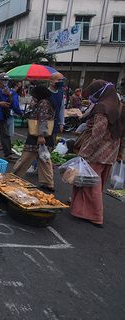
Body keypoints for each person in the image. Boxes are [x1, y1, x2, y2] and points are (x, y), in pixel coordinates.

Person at [70, 80, 125, 227]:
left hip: (97, 152)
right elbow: (122, 134)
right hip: (111, 152)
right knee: (95, 184)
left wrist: (84, 154)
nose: (91, 98)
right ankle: (81, 210)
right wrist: (120, 152)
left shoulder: (102, 107)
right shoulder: (119, 107)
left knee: (90, 185)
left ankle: (95, 216)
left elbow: (97, 134)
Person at [13, 85, 56, 191]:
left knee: (26, 158)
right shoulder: (46, 102)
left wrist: (41, 136)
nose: (33, 97)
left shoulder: (43, 103)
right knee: (44, 159)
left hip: (37, 137)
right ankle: (48, 183)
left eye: (34, 95)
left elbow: (42, 118)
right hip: (46, 137)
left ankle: (14, 177)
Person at [49, 72, 65, 141]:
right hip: (45, 124)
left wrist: (61, 123)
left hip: (55, 124)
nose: (61, 82)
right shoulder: (46, 93)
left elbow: (61, 108)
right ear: (51, 81)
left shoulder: (61, 93)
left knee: (52, 144)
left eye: (62, 80)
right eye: (58, 80)